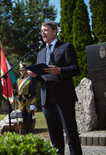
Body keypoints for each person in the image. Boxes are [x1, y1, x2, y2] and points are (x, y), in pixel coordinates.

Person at [27, 21, 82, 155]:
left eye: (45, 30)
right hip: (47, 100)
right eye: (41, 30)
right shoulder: (41, 53)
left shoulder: (66, 47)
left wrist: (60, 70)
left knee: (70, 134)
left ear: (54, 31)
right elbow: (44, 77)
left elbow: (75, 69)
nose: (42, 33)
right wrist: (35, 75)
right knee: (55, 138)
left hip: (63, 98)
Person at [15, 62, 36, 134]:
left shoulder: (30, 79)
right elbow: (17, 91)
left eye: (23, 70)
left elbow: (33, 91)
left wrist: (33, 102)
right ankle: (25, 133)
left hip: (28, 101)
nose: (21, 72)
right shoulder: (18, 80)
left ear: (26, 70)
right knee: (24, 118)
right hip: (21, 102)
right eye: (20, 70)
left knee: (29, 118)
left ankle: (30, 132)